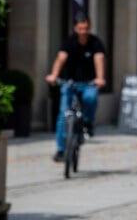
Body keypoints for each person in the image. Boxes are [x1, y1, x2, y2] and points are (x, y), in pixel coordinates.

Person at [45, 17, 107, 161]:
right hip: (70, 83)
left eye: (86, 28)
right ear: (75, 28)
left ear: (89, 28)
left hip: (89, 83)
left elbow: (99, 59)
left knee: (90, 98)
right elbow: (60, 58)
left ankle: (87, 123)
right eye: (80, 28)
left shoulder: (95, 43)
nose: (83, 31)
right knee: (63, 115)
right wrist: (54, 75)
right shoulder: (69, 42)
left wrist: (100, 78)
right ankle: (61, 150)